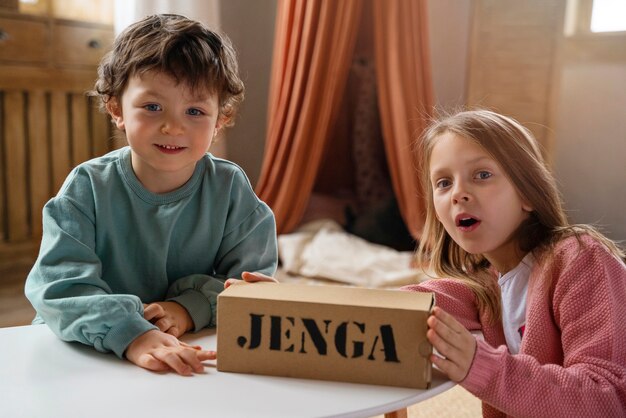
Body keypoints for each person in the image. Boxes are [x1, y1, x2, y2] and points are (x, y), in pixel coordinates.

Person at [25, 14, 278, 376]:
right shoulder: (87, 187)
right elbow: (60, 288)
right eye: (153, 107)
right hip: (85, 354)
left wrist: (188, 309)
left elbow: (249, 285)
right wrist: (133, 334)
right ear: (117, 109)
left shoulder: (231, 190)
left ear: (219, 120)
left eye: (195, 111)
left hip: (189, 352)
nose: (173, 126)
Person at [401, 109, 626, 417]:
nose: (458, 194)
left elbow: (608, 399)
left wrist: (481, 366)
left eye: (482, 175)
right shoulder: (483, 286)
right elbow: (400, 307)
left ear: (527, 193)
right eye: (443, 182)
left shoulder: (582, 260)